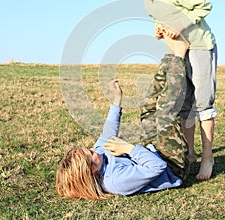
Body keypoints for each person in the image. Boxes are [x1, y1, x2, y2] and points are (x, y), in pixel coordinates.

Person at [55, 36, 190, 200]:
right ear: (90, 171)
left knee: (148, 107)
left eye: (89, 149)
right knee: (165, 113)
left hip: (153, 150)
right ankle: (180, 54)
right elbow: (158, 167)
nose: (95, 150)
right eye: (91, 154)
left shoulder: (99, 158)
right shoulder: (116, 181)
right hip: (172, 167)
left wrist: (117, 100)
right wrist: (128, 149)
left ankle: (171, 55)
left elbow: (107, 135)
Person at [128, 0, 217, 180]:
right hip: (178, 52)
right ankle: (190, 154)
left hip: (199, 47)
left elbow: (204, 5)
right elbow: (162, 22)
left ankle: (208, 158)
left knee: (202, 103)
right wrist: (159, 30)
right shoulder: (149, 3)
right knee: (183, 103)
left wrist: (181, 24)